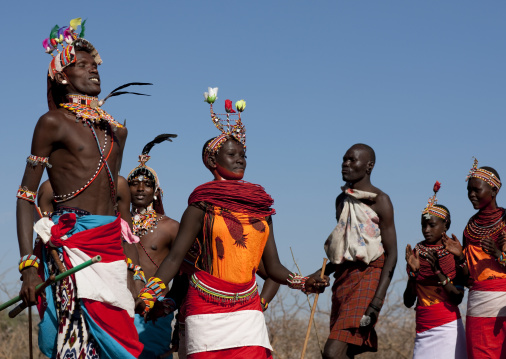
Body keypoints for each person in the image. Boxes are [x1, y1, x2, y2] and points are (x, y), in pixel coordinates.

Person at [136, 89, 328, 359]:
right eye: (232, 154)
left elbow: (272, 266)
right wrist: (150, 292)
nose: (240, 159)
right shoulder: (201, 204)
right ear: (212, 161)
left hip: (248, 310)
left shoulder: (260, 207)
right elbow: (176, 258)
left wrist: (302, 281)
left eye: (243, 155)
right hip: (205, 307)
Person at [16, 18, 143, 358]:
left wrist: (133, 271)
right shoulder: (52, 123)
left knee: (123, 343)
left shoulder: (118, 132)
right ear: (61, 75)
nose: (93, 71)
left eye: (94, 65)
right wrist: (28, 266)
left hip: (110, 249)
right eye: (81, 65)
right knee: (72, 339)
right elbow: (26, 196)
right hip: (70, 246)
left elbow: (119, 209)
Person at [315, 143, 397, 359]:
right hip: (344, 280)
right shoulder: (341, 200)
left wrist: (377, 302)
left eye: (352, 160)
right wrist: (322, 272)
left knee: (332, 352)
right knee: (345, 350)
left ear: (369, 166)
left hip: (369, 275)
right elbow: (347, 248)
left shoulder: (381, 200)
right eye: (344, 159)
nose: (346, 164)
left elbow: (392, 254)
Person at [443, 158, 506, 358]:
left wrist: (498, 255)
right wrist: (460, 257)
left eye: (476, 190)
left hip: (504, 303)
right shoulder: (469, 229)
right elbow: (466, 278)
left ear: (494, 191)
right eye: (469, 190)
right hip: (477, 305)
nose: (471, 195)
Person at [127, 134, 185, 358]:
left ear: (156, 191)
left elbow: (182, 274)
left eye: (147, 184)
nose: (140, 188)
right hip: (121, 303)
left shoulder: (170, 227)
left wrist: (171, 307)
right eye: (134, 183)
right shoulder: (117, 224)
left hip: (155, 308)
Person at [404, 182, 467, 358]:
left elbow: (457, 298)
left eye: (432, 225)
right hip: (423, 326)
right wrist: (413, 275)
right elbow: (409, 301)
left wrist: (438, 271)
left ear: (445, 225)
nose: (426, 230)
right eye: (423, 225)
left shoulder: (454, 254)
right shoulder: (416, 255)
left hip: (448, 327)